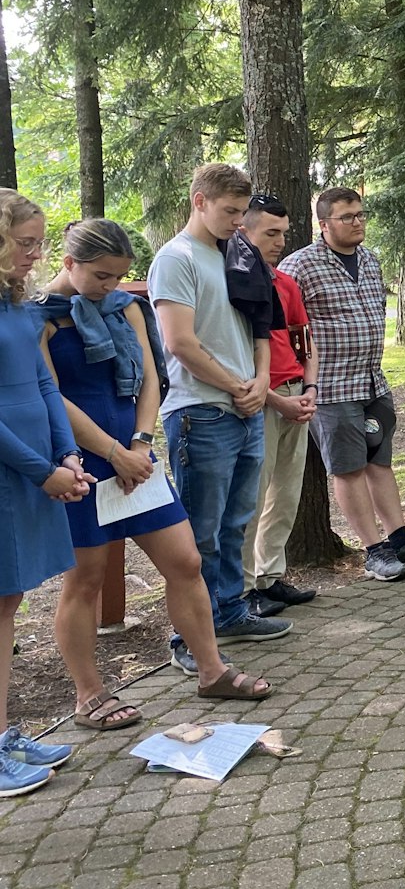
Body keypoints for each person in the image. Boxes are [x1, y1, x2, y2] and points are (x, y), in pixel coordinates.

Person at [40, 219, 271, 724]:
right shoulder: (41, 318)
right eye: (100, 276)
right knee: (87, 580)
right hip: (83, 461)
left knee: (186, 561)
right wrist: (111, 453)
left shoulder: (126, 307)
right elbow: (50, 396)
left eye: (120, 276)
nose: (111, 287)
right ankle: (90, 695)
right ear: (68, 264)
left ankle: (211, 671)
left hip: (138, 458)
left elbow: (149, 376)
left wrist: (141, 443)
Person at [149, 163, 288, 666]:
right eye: (229, 211)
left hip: (247, 406)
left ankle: (229, 612)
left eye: (241, 212)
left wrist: (262, 380)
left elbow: (262, 324)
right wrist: (237, 386)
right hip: (200, 411)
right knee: (198, 534)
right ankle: (187, 637)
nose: (236, 221)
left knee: (236, 522)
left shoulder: (239, 252)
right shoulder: (176, 258)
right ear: (199, 200)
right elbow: (179, 342)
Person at [280, 188, 405, 579]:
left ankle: (401, 539)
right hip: (332, 388)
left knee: (379, 462)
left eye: (361, 214)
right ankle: (374, 551)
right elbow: (287, 328)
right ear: (323, 224)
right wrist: (303, 381)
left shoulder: (370, 261)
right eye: (346, 217)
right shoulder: (299, 267)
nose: (358, 222)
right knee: (348, 468)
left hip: (373, 382)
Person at [0, 190, 88, 796]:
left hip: (35, 470)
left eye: (39, 242)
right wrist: (41, 470)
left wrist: (68, 452)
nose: (37, 254)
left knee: (7, 607)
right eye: (26, 243)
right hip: (9, 475)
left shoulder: (18, 307)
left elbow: (43, 383)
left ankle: (5, 734)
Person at [240, 195, 319, 618]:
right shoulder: (234, 281)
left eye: (283, 234)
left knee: (286, 493)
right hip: (260, 400)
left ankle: (271, 576)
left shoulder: (286, 283)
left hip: (295, 394)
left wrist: (310, 388)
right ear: (244, 231)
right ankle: (246, 585)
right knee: (253, 494)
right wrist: (277, 401)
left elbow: (304, 339)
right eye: (271, 233)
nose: (280, 242)